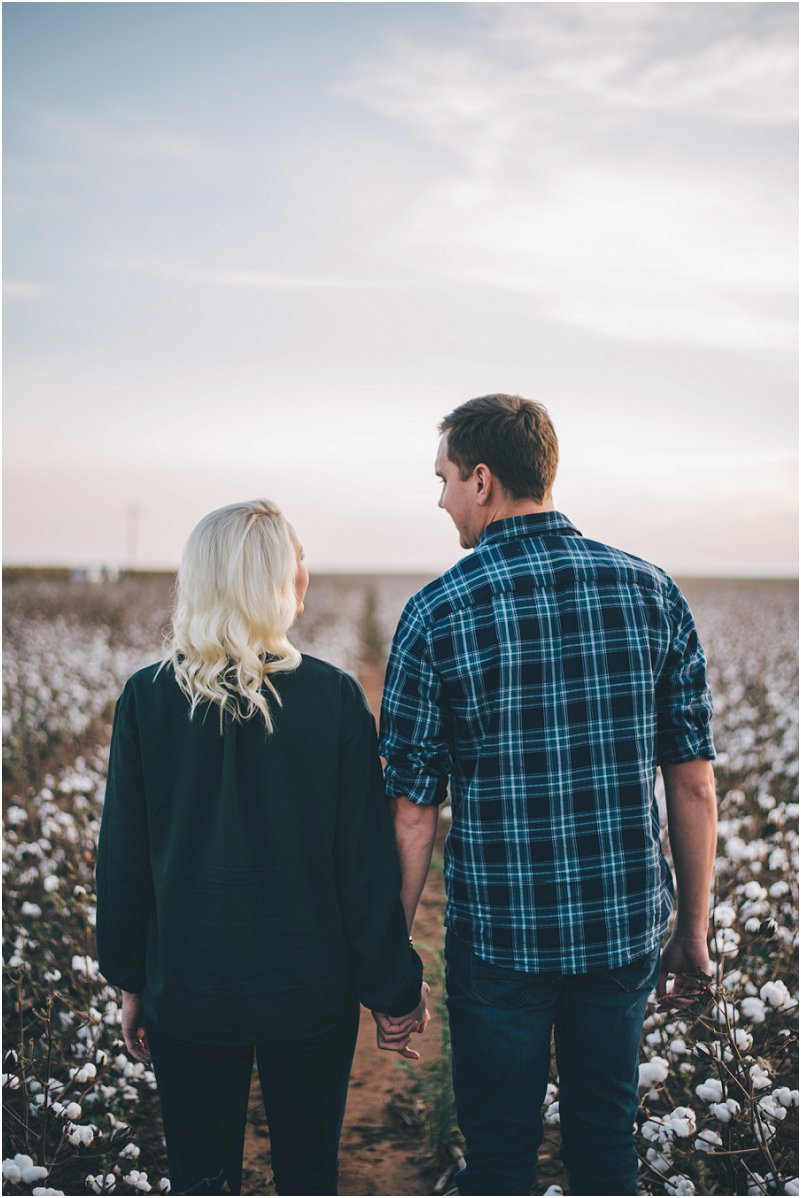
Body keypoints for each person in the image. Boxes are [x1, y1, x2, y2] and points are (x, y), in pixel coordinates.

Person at [379, 395, 717, 1197]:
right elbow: (693, 783)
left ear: (482, 480)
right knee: (605, 1149)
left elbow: (413, 814)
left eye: (443, 480)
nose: (440, 500)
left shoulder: (435, 613)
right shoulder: (651, 591)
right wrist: (693, 929)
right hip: (622, 927)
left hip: (500, 938)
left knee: (498, 1158)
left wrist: (392, 955)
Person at [96, 499, 428, 1197]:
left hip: (188, 988)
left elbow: (124, 861)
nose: (305, 572)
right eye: (296, 558)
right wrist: (392, 990)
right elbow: (362, 867)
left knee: (202, 1178)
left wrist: (131, 982)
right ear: (273, 578)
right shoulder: (334, 698)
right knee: (308, 1175)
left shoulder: (146, 699)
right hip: (309, 994)